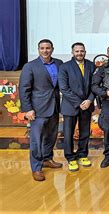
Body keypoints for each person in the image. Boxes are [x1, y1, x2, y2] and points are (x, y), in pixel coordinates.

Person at [19, 39, 63, 181]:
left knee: (51, 136)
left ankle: (47, 159)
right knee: (36, 140)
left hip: (54, 107)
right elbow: (24, 89)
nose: (45, 50)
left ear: (52, 49)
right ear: (38, 49)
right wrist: (28, 109)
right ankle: (37, 168)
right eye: (42, 48)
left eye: (48, 48)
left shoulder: (59, 63)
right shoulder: (30, 66)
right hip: (37, 110)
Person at [58, 42, 95, 171]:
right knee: (68, 133)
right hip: (71, 106)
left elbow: (95, 86)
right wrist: (80, 102)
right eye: (77, 51)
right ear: (72, 52)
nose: (80, 53)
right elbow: (64, 88)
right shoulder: (64, 67)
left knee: (85, 132)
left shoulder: (91, 65)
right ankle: (70, 157)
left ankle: (82, 154)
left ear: (85, 51)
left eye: (82, 51)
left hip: (87, 105)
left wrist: (90, 100)